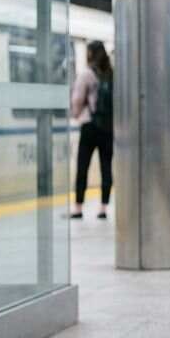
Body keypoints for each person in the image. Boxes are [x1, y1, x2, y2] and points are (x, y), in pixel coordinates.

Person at [70, 40, 114, 219]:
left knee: (83, 167)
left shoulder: (87, 74)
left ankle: (79, 207)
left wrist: (76, 114)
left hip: (89, 126)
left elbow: (77, 100)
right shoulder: (111, 74)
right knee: (106, 167)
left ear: (90, 54)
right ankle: (103, 208)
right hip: (108, 127)